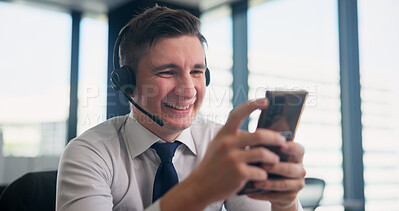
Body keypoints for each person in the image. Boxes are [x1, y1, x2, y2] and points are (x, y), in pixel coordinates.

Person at [56, 5, 306, 211]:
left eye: (196, 71)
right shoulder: (89, 153)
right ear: (127, 84)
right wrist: (199, 191)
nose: (188, 89)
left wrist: (284, 204)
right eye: (168, 72)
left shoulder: (222, 144)